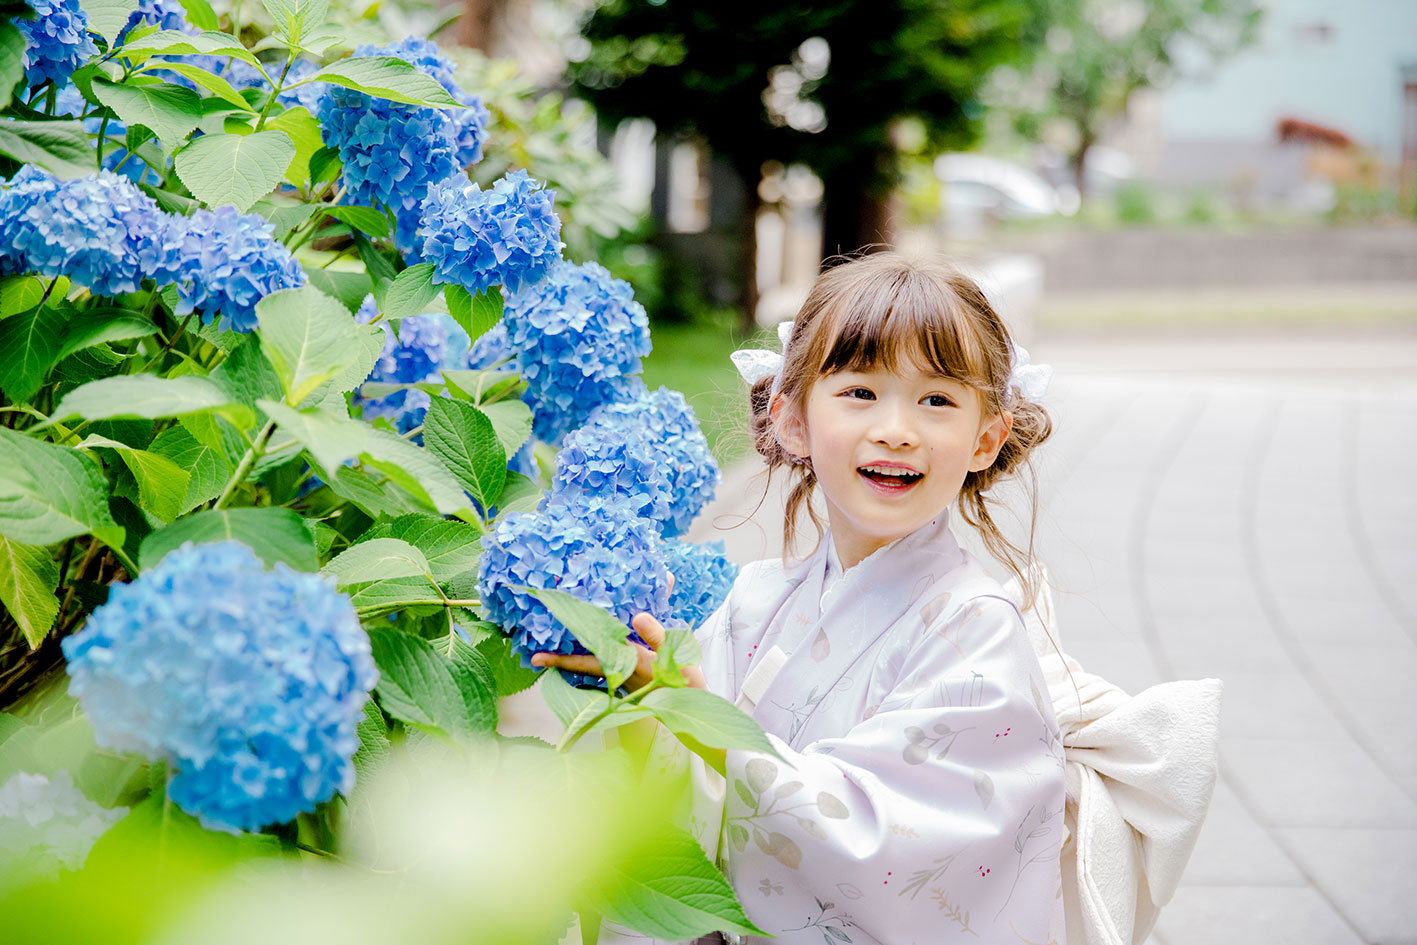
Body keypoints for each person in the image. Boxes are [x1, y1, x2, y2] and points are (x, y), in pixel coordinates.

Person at [534, 252, 1221, 945]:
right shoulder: (752, 600)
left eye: (937, 400)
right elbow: (678, 799)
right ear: (791, 420)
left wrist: (705, 722)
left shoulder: (976, 628)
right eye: (860, 391)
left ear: (986, 437)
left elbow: (907, 841)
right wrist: (647, 712)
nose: (897, 428)